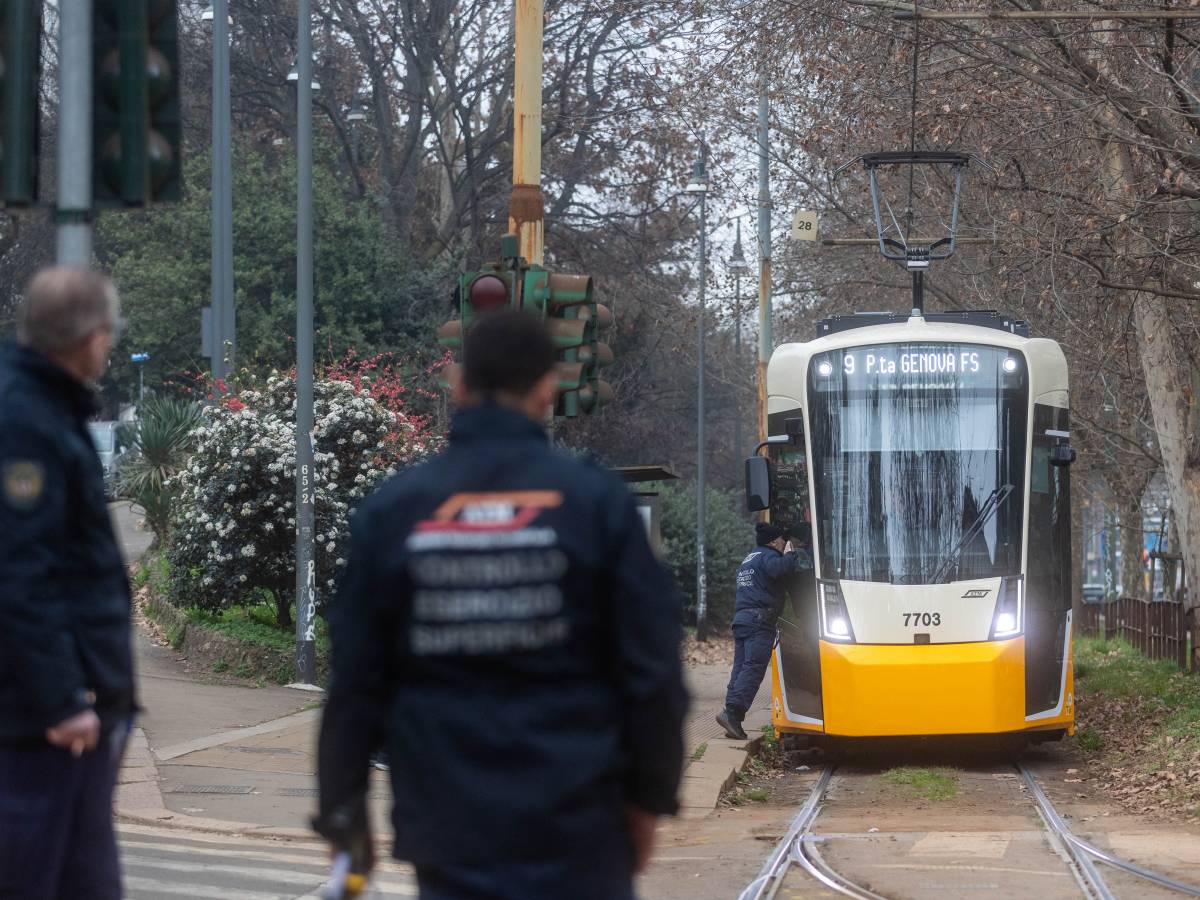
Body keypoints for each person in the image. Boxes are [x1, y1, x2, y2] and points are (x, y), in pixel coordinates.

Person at [315, 310, 688, 900]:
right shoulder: (597, 506)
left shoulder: (394, 512)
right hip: (580, 823)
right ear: (548, 388)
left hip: (449, 827)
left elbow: (357, 682)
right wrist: (648, 799)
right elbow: (653, 671)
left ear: (459, 386)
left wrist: (343, 811)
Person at [0, 267, 135, 899]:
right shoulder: (26, 419)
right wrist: (61, 697)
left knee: (86, 880)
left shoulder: (46, 407)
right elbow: (20, 567)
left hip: (72, 708)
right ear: (89, 337)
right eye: (107, 333)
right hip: (44, 722)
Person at [716, 522, 812, 741]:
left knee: (740, 667)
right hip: (759, 621)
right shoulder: (769, 556)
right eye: (782, 540)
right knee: (753, 668)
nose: (784, 543)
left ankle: (731, 716)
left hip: (742, 619)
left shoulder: (750, 558)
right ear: (773, 541)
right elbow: (778, 570)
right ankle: (732, 713)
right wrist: (791, 556)